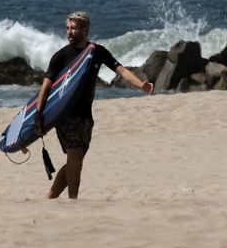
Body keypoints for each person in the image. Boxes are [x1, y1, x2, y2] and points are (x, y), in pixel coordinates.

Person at [34, 11, 154, 199]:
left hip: (85, 116)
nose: (69, 32)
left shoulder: (96, 52)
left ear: (85, 30)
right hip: (65, 115)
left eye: (73, 28)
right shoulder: (61, 56)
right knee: (74, 157)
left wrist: (141, 85)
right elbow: (45, 87)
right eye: (67, 28)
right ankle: (73, 200)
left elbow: (120, 69)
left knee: (76, 161)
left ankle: (50, 197)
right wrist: (38, 113)